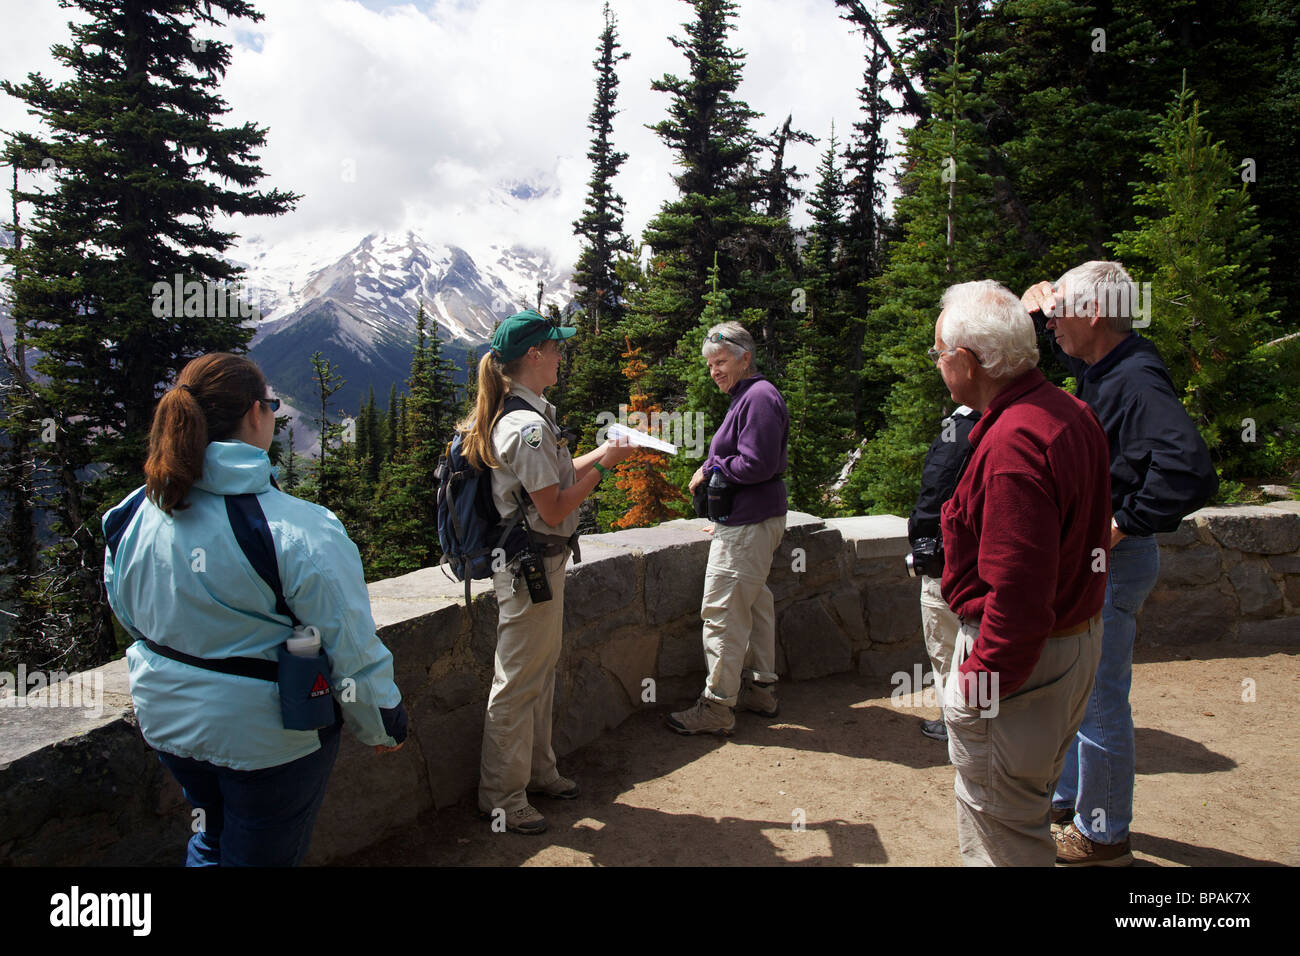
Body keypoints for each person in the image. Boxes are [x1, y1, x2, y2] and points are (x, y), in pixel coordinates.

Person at [102, 353, 408, 867]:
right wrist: (382, 723)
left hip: (167, 719)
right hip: (267, 738)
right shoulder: (296, 527)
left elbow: (129, 613)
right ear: (253, 414)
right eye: (270, 404)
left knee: (211, 835)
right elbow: (348, 644)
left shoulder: (134, 511)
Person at [1022, 261, 1218, 866]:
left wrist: (1123, 523)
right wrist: (1033, 311)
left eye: (1060, 314)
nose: (1052, 324)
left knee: (1100, 696)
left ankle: (1102, 835)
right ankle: (1070, 803)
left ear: (1094, 314)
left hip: (1114, 564)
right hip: (1101, 564)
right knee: (1082, 690)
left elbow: (1189, 468)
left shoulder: (1136, 380)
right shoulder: (1110, 365)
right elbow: (1068, 359)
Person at [933, 280, 1112, 866]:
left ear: (966, 360)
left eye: (939, 353)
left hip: (1021, 665)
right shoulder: (1067, 411)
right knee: (1022, 807)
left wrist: (977, 681)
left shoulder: (1013, 443)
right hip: (1071, 648)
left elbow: (1019, 589)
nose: (937, 364)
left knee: (1002, 836)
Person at [461, 309, 635, 835]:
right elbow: (555, 508)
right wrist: (605, 467)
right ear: (533, 356)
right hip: (527, 568)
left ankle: (538, 772)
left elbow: (552, 483)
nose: (562, 356)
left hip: (538, 564)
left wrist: (604, 450)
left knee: (539, 670)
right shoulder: (526, 427)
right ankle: (502, 797)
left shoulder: (530, 412)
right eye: (556, 348)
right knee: (517, 681)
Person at [669, 321, 789, 736]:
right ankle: (760, 689)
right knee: (755, 605)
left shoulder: (757, 397)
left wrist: (712, 468)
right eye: (710, 364)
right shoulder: (751, 397)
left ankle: (717, 707)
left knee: (721, 611)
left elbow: (756, 463)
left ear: (745, 358)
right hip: (748, 521)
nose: (714, 371)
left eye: (721, 362)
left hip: (748, 524)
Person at [908, 404, 979, 742]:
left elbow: (935, 490)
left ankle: (957, 722)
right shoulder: (1011, 417)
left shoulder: (959, 430)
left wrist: (920, 540)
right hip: (981, 559)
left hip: (949, 560)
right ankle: (980, 716)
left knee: (947, 646)